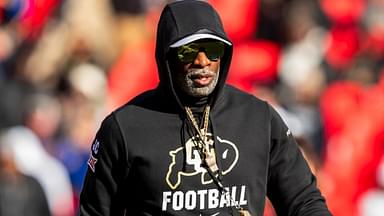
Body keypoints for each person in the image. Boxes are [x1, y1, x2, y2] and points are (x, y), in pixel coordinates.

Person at [79, 1, 332, 215]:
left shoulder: (259, 118)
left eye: (212, 50)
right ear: (167, 56)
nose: (202, 62)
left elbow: (304, 201)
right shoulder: (125, 128)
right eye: (188, 51)